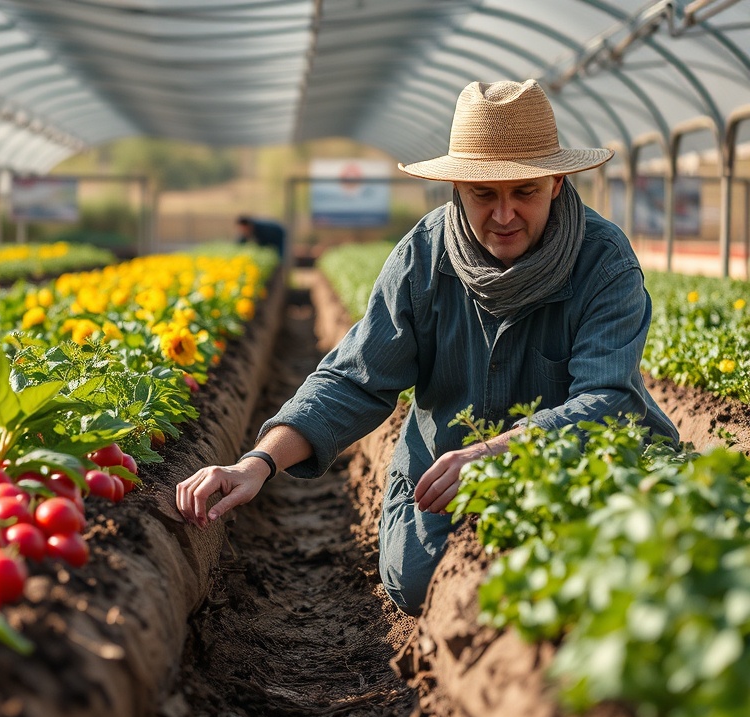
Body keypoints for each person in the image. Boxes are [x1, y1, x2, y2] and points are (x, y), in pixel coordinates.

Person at [178, 80, 679, 615]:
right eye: (484, 193)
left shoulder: (603, 262)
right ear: (457, 187)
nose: (504, 215)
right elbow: (354, 378)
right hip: (441, 467)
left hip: (571, 468)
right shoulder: (422, 258)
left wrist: (497, 453)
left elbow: (608, 399)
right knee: (419, 582)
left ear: (556, 182)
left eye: (524, 192)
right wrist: (257, 464)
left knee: (615, 579)